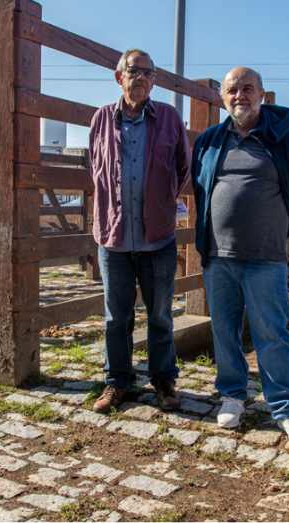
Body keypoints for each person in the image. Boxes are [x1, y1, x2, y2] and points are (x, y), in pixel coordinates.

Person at [191, 67, 289, 443]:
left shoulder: (283, 139)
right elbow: (200, 189)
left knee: (271, 333)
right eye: (232, 90)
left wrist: (277, 229)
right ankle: (232, 396)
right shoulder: (210, 140)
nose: (240, 95)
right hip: (219, 255)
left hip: (265, 255)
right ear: (222, 97)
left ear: (262, 93)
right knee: (224, 330)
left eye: (248, 88)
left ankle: (286, 408)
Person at [88, 48, 190, 414]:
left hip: (157, 236)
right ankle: (117, 383)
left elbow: (183, 168)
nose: (143, 77)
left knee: (160, 315)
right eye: (135, 71)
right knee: (116, 317)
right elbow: (95, 169)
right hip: (113, 238)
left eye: (150, 72)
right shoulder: (101, 119)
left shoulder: (168, 117)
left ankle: (163, 380)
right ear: (120, 76)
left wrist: (159, 203)